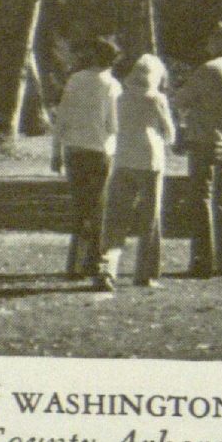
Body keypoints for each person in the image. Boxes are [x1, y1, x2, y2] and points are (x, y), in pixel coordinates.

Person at [96, 53, 176, 292]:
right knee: (150, 218)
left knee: (116, 216)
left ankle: (107, 267)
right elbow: (170, 132)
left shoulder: (120, 98)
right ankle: (146, 273)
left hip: (123, 158)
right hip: (150, 161)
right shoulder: (156, 99)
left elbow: (110, 125)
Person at [49, 36, 121, 281]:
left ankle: (75, 264)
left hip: (74, 149)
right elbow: (114, 124)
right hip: (100, 150)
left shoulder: (75, 80)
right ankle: (93, 261)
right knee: (98, 207)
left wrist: (56, 151)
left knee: (80, 207)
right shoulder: (111, 85)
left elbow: (62, 118)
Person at [176, 22, 222, 277]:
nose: (207, 42)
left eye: (212, 38)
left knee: (201, 199)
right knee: (219, 200)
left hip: (206, 140)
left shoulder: (209, 69)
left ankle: (202, 260)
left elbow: (182, 99)